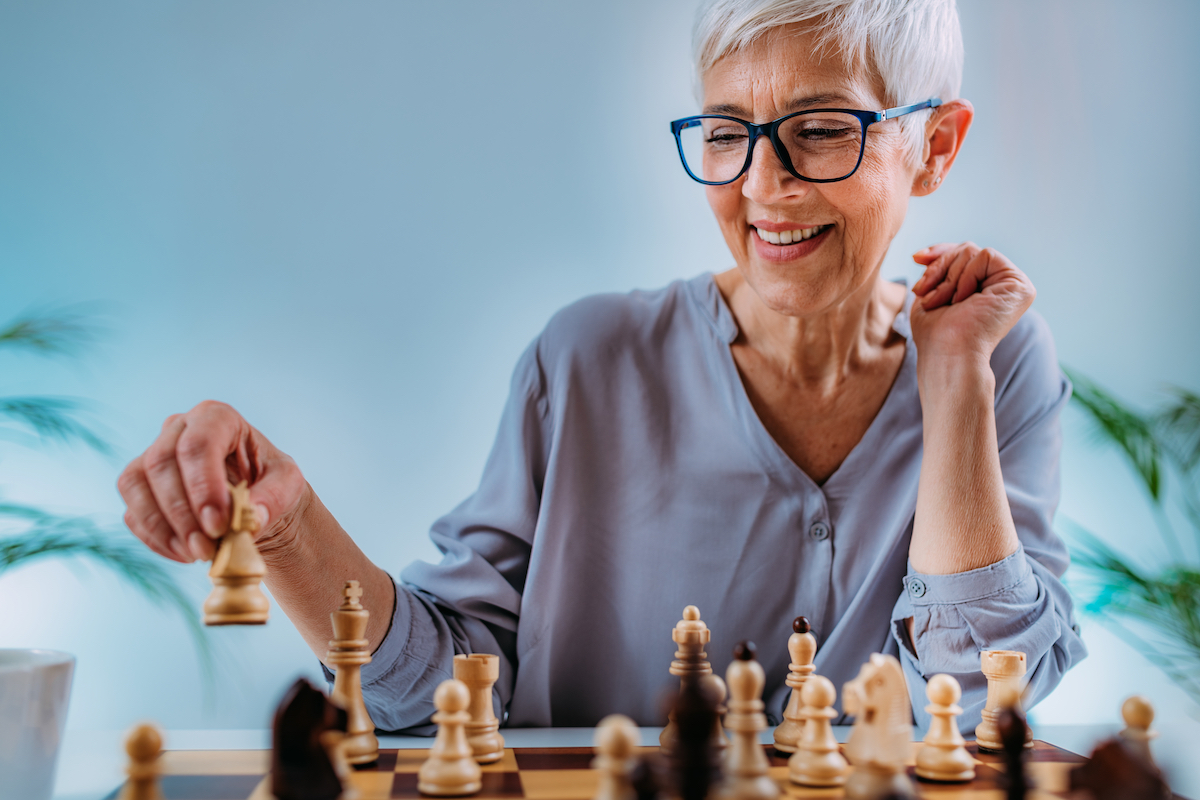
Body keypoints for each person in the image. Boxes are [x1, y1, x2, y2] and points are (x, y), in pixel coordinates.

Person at [118, 0, 1086, 734]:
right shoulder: (582, 363)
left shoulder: (996, 358)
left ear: (936, 146)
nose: (761, 185)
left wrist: (955, 381)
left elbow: (976, 702)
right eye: (724, 132)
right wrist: (288, 528)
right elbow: (442, 693)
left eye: (822, 129)